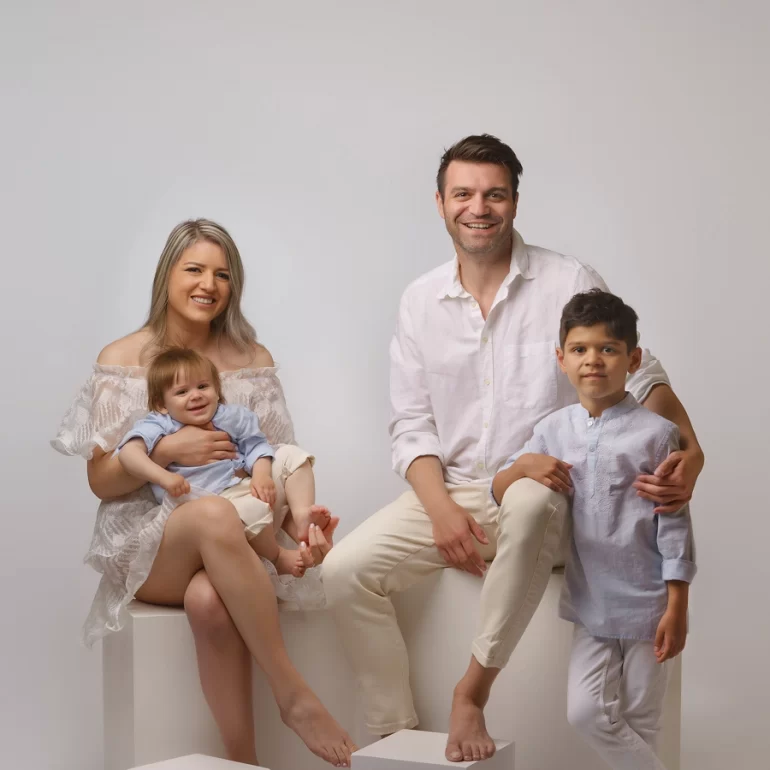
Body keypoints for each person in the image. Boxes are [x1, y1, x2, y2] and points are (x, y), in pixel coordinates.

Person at [323, 134, 704, 763]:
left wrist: (692, 449)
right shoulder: (420, 301)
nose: (479, 207)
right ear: (440, 203)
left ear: (515, 202)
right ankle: (396, 737)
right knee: (343, 572)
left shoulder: (568, 279)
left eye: (494, 194)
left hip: (551, 487)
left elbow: (637, 368)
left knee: (526, 501)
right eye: (464, 194)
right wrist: (442, 510)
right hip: (451, 488)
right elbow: (411, 424)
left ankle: (472, 693)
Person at [52, 219, 356, 768]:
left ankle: (242, 761)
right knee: (214, 512)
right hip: (152, 541)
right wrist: (168, 455)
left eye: (222, 274)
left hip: (235, 536)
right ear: (167, 275)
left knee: (209, 601)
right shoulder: (123, 358)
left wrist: (302, 535)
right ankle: (293, 693)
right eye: (194, 269)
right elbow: (100, 481)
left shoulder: (252, 359)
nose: (208, 285)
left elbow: (273, 468)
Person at [492, 289, 696, 770]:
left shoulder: (657, 433)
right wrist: (525, 463)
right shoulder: (552, 430)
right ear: (561, 359)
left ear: (633, 358)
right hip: (590, 604)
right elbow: (499, 487)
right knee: (586, 713)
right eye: (580, 350)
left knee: (643, 721)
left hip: (650, 605)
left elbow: (675, 525)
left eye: (608, 349)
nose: (594, 361)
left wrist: (677, 605)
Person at [117, 346, 332, 577]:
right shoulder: (160, 424)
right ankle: (277, 557)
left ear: (217, 391)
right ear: (161, 404)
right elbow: (129, 453)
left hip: (245, 484)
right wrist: (163, 476)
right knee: (252, 509)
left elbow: (256, 445)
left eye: (203, 386)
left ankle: (302, 518)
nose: (196, 395)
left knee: (292, 455)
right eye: (181, 392)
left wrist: (261, 475)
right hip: (209, 503)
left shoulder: (231, 416)